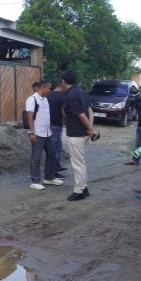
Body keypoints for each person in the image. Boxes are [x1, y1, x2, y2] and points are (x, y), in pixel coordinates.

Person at [61, 70, 96, 201]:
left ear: (63, 81)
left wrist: (90, 129)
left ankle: (79, 191)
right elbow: (90, 111)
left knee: (78, 164)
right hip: (83, 133)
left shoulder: (70, 96)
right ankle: (84, 187)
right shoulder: (81, 92)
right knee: (80, 161)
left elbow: (81, 115)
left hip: (76, 133)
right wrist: (90, 129)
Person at [26, 79, 63, 190]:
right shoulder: (32, 99)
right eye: (49, 88)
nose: (50, 90)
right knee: (36, 157)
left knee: (52, 154)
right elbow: (29, 116)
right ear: (43, 87)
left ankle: (49, 178)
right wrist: (32, 132)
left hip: (47, 133)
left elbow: (46, 116)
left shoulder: (45, 100)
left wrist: (49, 128)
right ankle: (35, 181)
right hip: (37, 133)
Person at [125, 83, 141, 165]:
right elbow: (136, 109)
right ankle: (135, 160)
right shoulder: (138, 99)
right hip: (140, 125)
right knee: (137, 144)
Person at [46, 83, 67, 177]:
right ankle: (54, 171)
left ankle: (57, 166)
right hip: (57, 125)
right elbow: (63, 111)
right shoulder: (61, 97)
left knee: (56, 146)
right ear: (61, 87)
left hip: (48, 123)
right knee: (56, 148)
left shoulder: (48, 95)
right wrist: (66, 121)